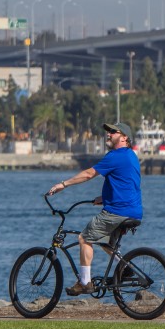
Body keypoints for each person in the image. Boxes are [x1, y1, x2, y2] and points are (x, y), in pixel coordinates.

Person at [45, 120, 142, 295]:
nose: (109, 134)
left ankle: (84, 282)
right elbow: (127, 184)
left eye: (113, 132)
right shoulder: (131, 156)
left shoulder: (115, 155)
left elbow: (89, 173)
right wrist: (104, 198)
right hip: (133, 210)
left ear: (124, 137)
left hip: (117, 212)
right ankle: (125, 268)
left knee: (84, 238)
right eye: (109, 131)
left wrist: (63, 184)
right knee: (105, 241)